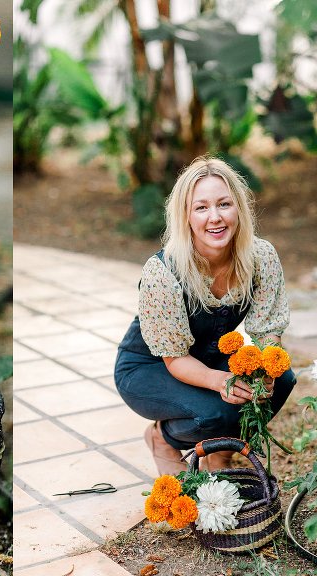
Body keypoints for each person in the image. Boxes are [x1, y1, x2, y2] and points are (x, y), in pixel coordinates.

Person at [114, 156, 296, 475]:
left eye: (224, 204)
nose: (215, 217)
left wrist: (266, 369)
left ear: (239, 208)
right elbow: (174, 359)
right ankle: (163, 438)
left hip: (209, 357)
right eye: (201, 208)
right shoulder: (164, 272)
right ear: (186, 216)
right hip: (152, 366)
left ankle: (220, 454)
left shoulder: (260, 257)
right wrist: (221, 381)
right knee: (215, 413)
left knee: (282, 380)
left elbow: (268, 330)